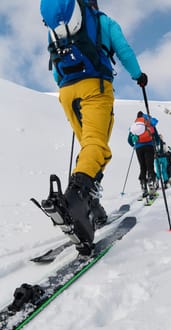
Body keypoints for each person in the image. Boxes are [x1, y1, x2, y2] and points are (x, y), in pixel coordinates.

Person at [40, 0, 148, 256]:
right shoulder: (103, 21)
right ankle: (76, 202)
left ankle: (92, 204)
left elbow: (56, 65)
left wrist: (67, 85)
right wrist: (138, 75)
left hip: (67, 92)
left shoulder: (56, 26)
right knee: (97, 146)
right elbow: (123, 49)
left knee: (89, 147)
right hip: (95, 87)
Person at [128, 111, 159, 199]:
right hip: (149, 146)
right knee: (150, 166)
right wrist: (156, 143)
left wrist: (134, 145)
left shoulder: (134, 125)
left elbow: (129, 140)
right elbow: (156, 136)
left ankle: (144, 187)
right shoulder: (149, 123)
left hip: (139, 148)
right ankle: (152, 184)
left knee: (142, 167)